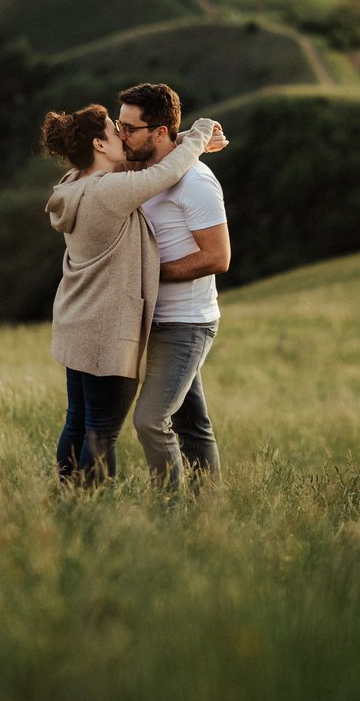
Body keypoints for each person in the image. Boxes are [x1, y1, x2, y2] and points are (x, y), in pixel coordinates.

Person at [41, 103, 220, 485]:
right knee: (102, 431)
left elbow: (161, 158)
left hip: (77, 322)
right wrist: (201, 129)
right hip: (107, 332)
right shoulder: (112, 192)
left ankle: (67, 496)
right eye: (114, 130)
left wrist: (182, 138)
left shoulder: (74, 183)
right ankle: (90, 502)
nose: (121, 135)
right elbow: (168, 169)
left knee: (77, 421)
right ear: (99, 146)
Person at [118, 82, 230, 488]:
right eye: (119, 125)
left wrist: (146, 272)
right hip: (152, 320)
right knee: (191, 423)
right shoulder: (141, 172)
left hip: (187, 323)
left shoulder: (197, 182)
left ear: (160, 133)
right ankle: (208, 516)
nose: (121, 136)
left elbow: (217, 257)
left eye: (130, 128)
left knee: (150, 421)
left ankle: (170, 512)